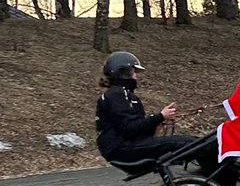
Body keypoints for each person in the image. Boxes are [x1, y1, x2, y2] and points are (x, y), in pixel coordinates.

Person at [95, 50, 225, 173]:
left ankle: (215, 173)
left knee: (193, 143)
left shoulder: (122, 94)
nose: (137, 76)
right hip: (122, 150)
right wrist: (160, 116)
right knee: (188, 143)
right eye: (134, 71)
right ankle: (223, 175)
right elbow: (129, 129)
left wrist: (159, 121)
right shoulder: (117, 95)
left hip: (124, 147)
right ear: (123, 72)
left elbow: (136, 129)